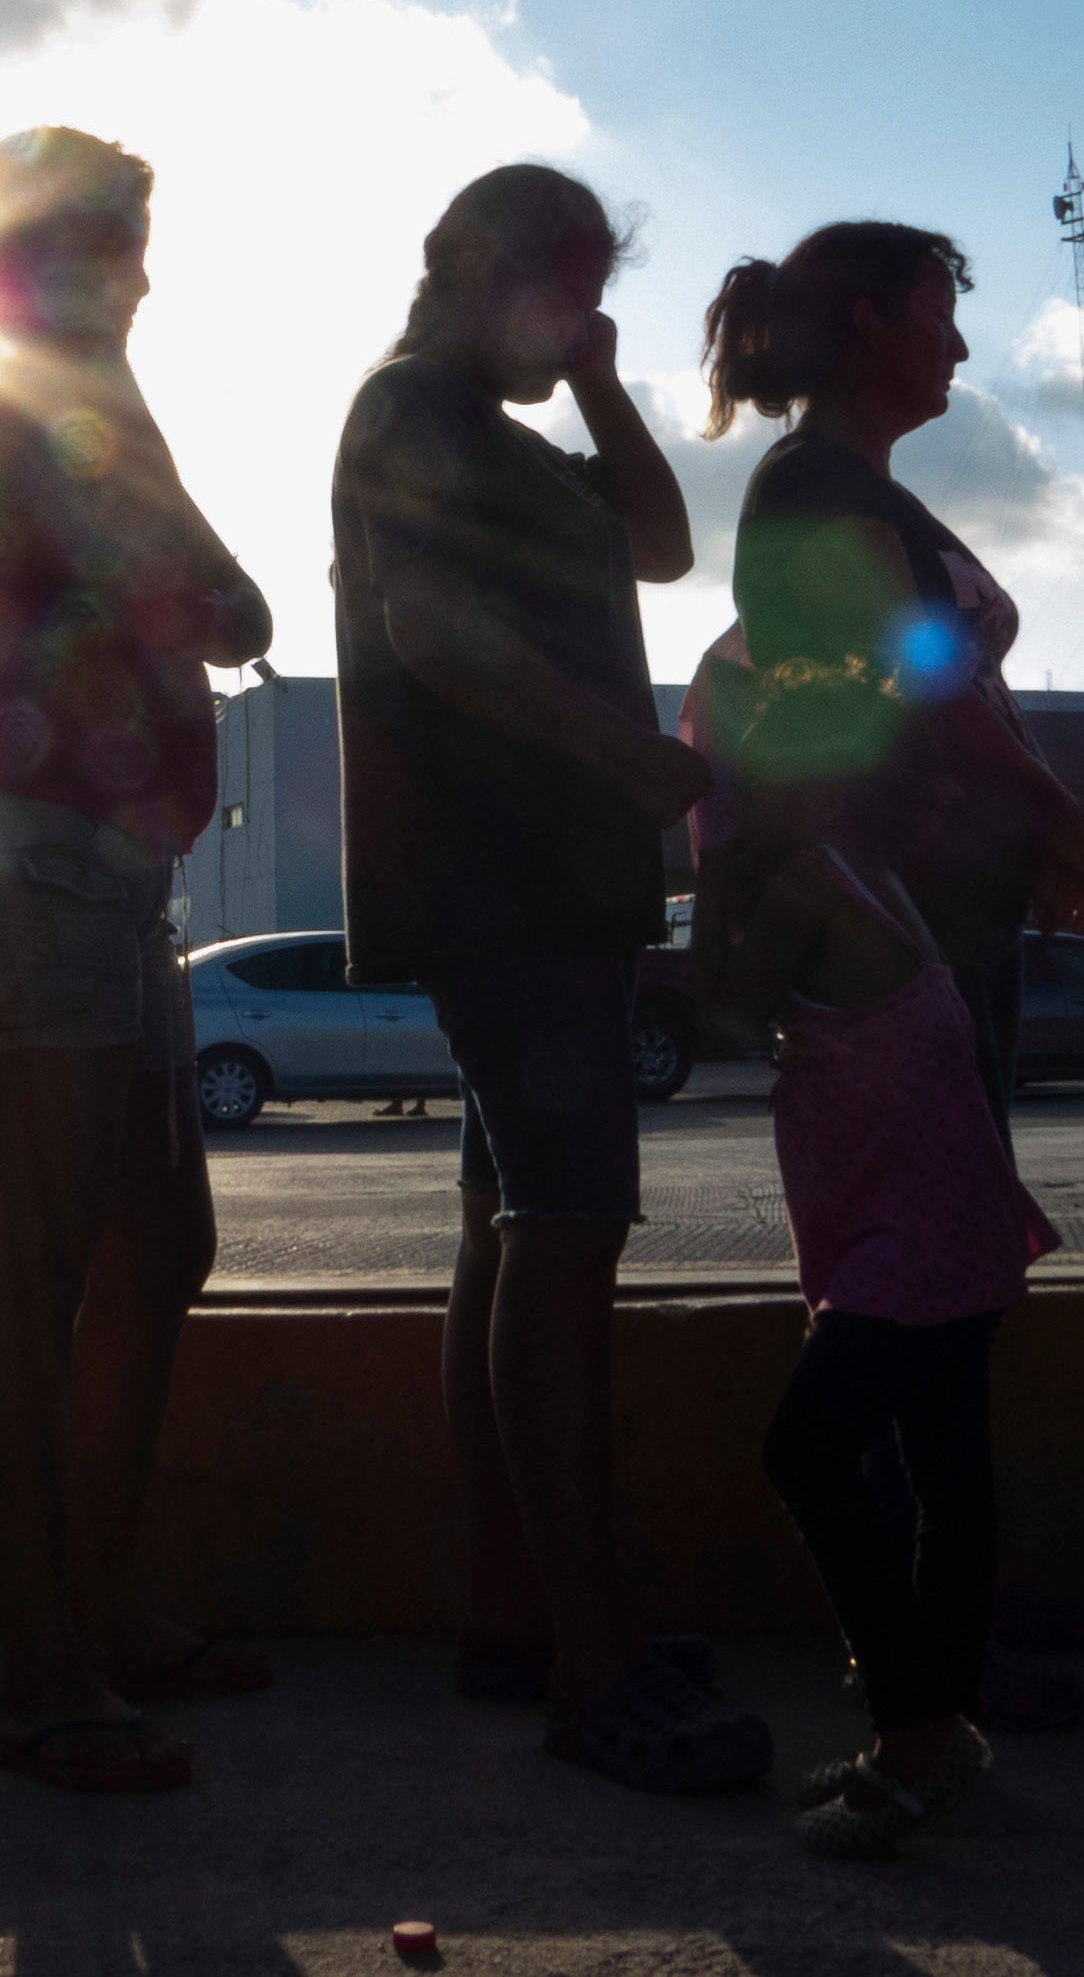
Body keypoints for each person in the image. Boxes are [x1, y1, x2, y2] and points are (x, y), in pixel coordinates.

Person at [332, 163, 772, 1795]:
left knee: (503, 1230)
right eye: (561, 281)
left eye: (599, 286)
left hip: (544, 888)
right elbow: (432, 628)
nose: (583, 310)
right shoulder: (416, 416)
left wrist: (596, 379)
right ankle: (594, 1664)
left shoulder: (508, 436)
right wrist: (631, 760)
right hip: (506, 881)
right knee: (567, 1234)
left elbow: (661, 541)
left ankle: (522, 1615)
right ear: (467, 263)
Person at [0, 128, 269, 1796]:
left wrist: (174, 584)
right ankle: (39, 1672)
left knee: (159, 1241)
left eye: (146, 241)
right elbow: (131, 589)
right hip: (6, 853)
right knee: (30, 1270)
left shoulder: (98, 397)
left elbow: (216, 592)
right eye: (114, 240)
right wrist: (160, 585)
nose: (143, 272)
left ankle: (88, 1609)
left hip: (112, 873)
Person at [713, 681, 1051, 1860]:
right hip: (953, 1232)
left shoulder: (809, 883)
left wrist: (711, 865)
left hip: (902, 1244)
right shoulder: (878, 876)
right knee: (947, 1474)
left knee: (803, 1452)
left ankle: (916, 1728)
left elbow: (719, 1013)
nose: (740, 788)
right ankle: (940, 1726)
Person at [696, 221, 1084, 1122]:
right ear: (869, 321)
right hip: (896, 913)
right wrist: (1053, 808)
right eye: (940, 315)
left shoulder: (860, 487)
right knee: (934, 1213)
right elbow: (913, 673)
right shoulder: (814, 483)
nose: (958, 345)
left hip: (946, 907)